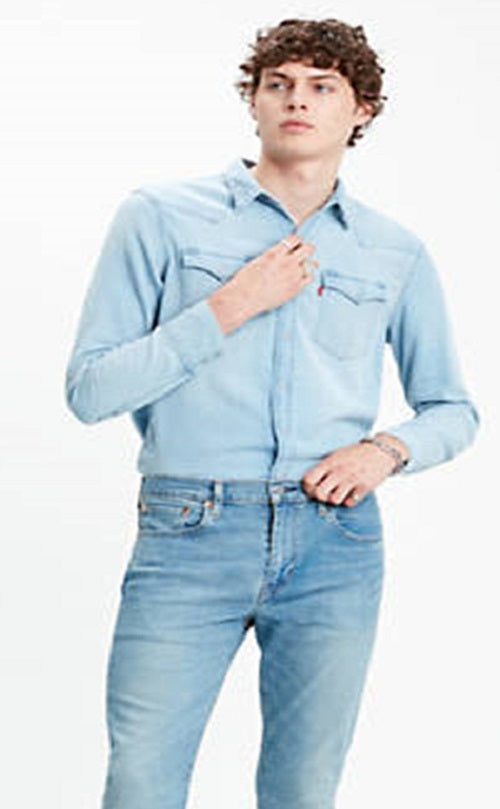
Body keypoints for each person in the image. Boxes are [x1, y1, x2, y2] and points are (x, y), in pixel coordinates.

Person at [64, 17, 480, 809]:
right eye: (279, 84)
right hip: (189, 528)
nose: (297, 100)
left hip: (335, 541)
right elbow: (90, 389)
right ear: (252, 100)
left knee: (303, 789)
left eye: (323, 86)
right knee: (142, 780)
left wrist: (385, 450)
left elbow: (451, 408)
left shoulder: (394, 251)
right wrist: (228, 306)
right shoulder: (160, 216)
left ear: (360, 110)